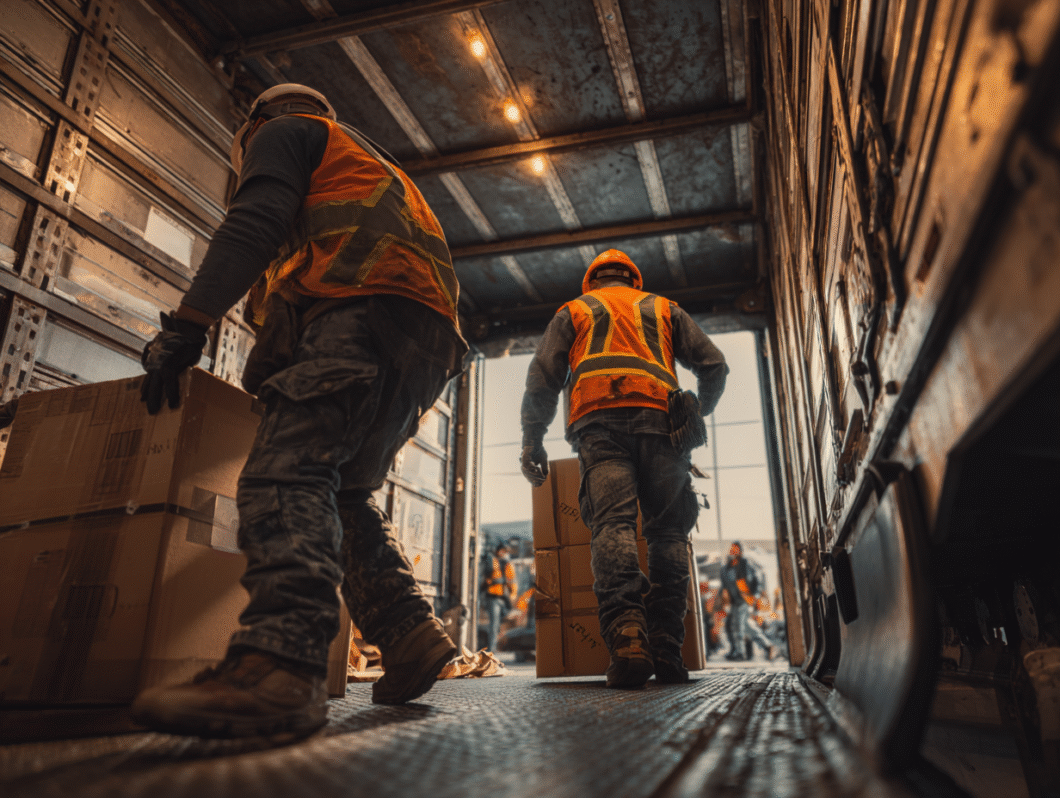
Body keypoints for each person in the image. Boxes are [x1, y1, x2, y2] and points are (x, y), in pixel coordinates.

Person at [131, 83, 468, 739]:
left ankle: (281, 668)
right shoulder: (365, 169)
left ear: (254, 123)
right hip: (425, 338)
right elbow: (286, 305)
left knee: (282, 476)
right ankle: (407, 634)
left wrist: (187, 327)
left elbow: (253, 222)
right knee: (341, 489)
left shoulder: (287, 133)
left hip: (362, 312)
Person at [519, 249, 728, 688]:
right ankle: (668, 650)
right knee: (668, 532)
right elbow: (714, 365)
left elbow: (543, 377)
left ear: (591, 281)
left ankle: (628, 640)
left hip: (598, 425)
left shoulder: (575, 310)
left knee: (612, 526)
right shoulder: (662, 307)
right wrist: (698, 412)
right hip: (663, 426)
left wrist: (531, 440)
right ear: (633, 279)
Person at [719, 541, 776, 661]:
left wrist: (754, 595)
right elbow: (724, 586)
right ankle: (767, 646)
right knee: (743, 627)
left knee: (739, 627)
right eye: (731, 549)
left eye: (735, 549)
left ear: (739, 550)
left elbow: (756, 578)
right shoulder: (726, 568)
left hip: (744, 599)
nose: (733, 551)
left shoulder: (745, 564)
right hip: (733, 601)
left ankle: (740, 652)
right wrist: (724, 599)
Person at [483, 542, 517, 652]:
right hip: (493, 596)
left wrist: (512, 596)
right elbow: (487, 577)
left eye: (505, 551)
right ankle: (492, 649)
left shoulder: (507, 564)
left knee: (501, 623)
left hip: (504, 599)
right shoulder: (491, 561)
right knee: (494, 624)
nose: (504, 553)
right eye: (503, 550)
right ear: (498, 550)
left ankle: (497, 645)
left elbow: (512, 582)